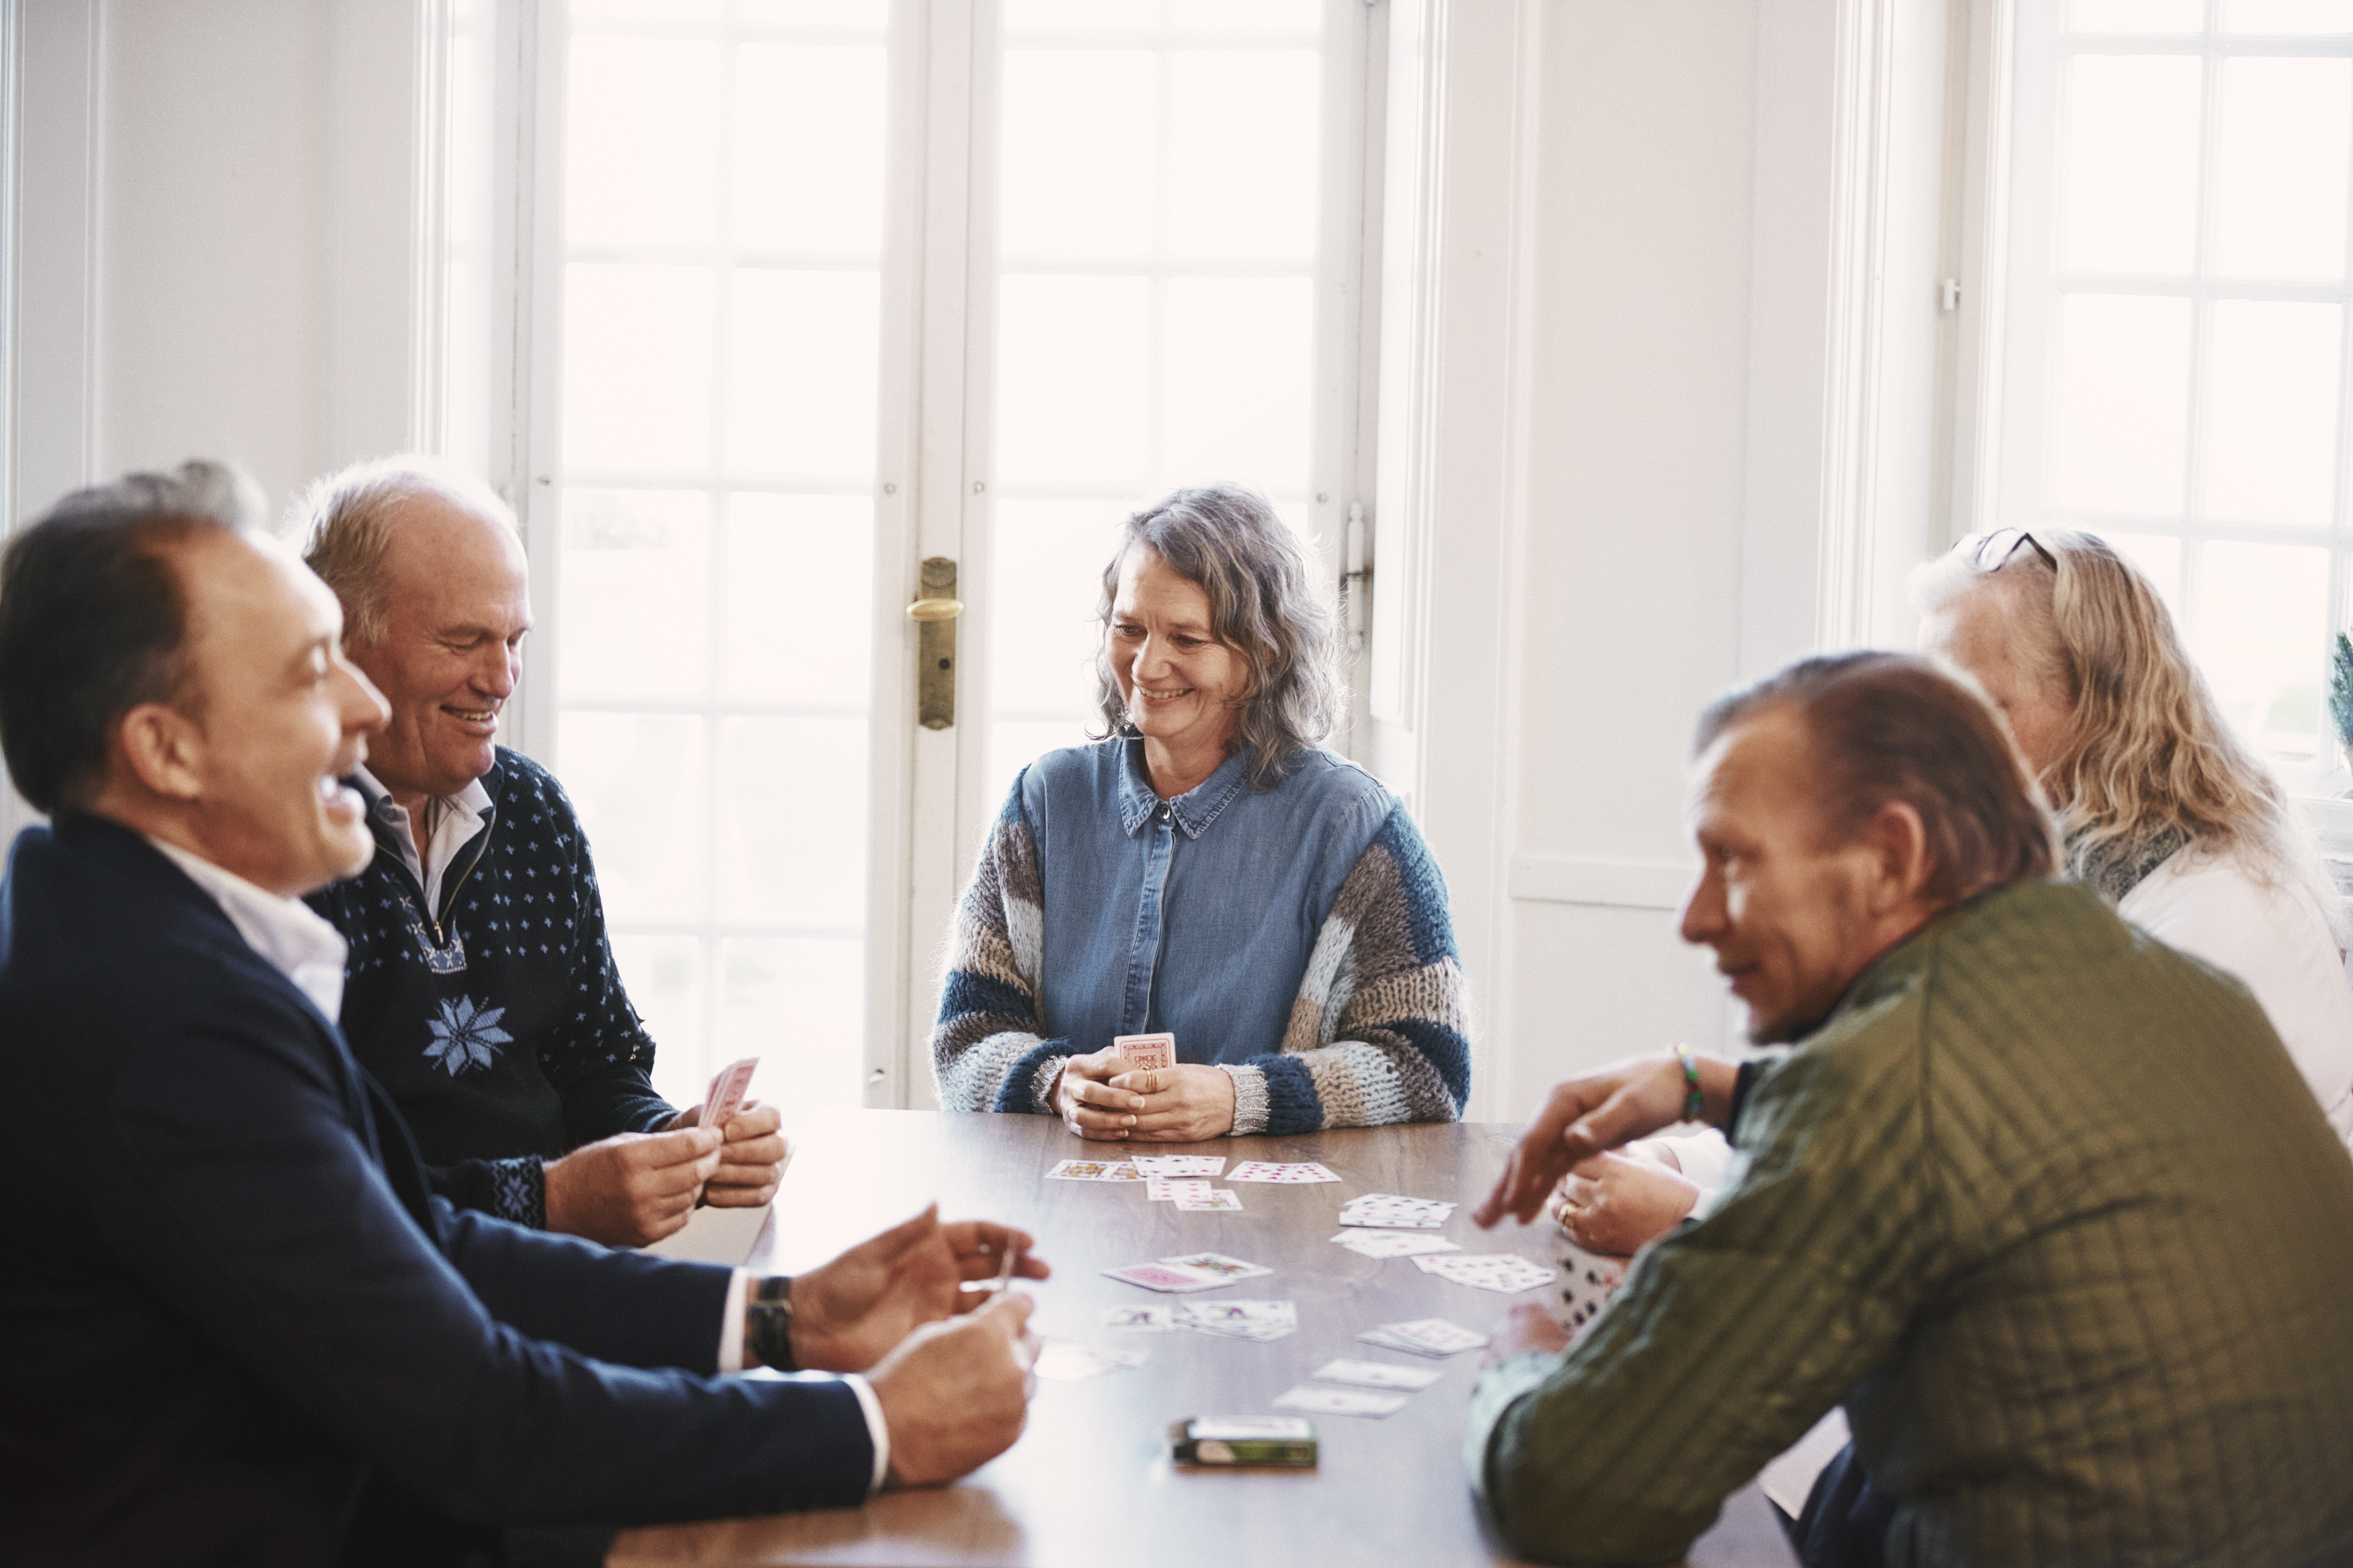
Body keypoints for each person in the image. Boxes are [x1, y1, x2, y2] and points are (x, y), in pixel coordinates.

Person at [0, 462, 1047, 1566]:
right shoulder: (167, 1025)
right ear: (166, 748)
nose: (360, 702)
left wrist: (790, 1316)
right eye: (312, 672)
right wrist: (879, 1422)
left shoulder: (126, 924)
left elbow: (421, 1239)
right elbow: (477, 1416)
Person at [1465, 651, 2353, 1567]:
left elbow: (1571, 1490)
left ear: (1892, 857)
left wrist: (1517, 1366)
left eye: (1730, 859)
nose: (1694, 917)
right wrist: (1709, 1088)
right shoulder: (2184, 992)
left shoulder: (1887, 1083)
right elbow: (1988, 1133)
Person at [1550, 527, 2353, 1261]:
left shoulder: (2210, 911)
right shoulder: (2041, 868)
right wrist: (1681, 1153)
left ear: (2093, 705)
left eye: (1970, 707)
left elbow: (2000, 1202)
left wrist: (1690, 1214)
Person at [291, 456, 783, 1247]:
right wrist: (544, 1199)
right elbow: (307, 1193)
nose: (502, 678)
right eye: (464, 640)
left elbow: (596, 1067)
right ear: (342, 640)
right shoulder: (281, 839)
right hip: (393, 1280)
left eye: (514, 640)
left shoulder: (533, 810)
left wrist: (674, 1143)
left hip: (552, 1266)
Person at [931, 483, 1470, 1138]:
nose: (1147, 664)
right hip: (1062, 1206)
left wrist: (1240, 1097)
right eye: (1128, 628)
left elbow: (1427, 1064)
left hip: (1273, 1220)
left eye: (1185, 638)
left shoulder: (1355, 825)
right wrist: (1051, 1080)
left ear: (1262, 655)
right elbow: (967, 1032)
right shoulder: (1044, 800)